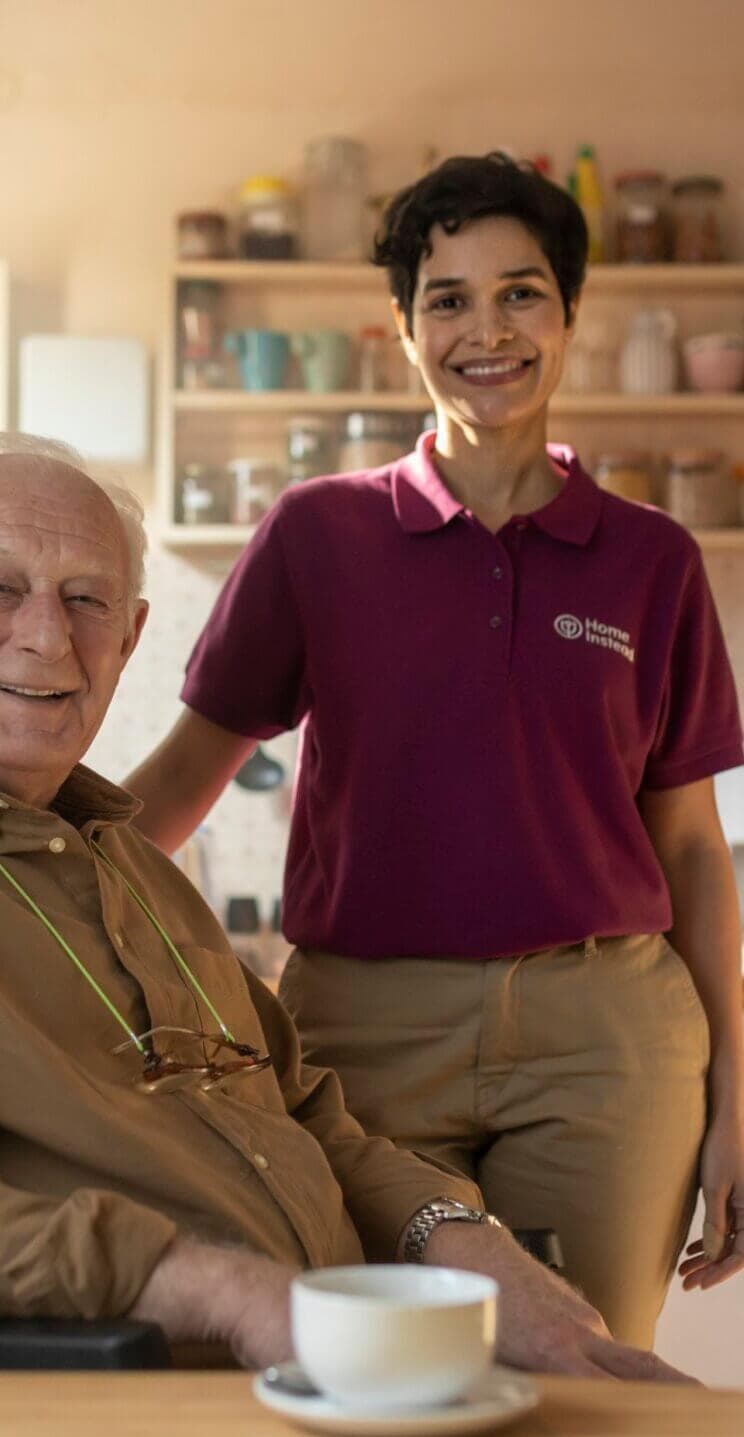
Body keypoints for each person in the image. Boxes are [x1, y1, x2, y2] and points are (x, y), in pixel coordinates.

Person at [0, 430, 688, 1381]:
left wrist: (472, 1252)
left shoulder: (133, 865)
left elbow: (308, 1116)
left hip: (344, 1374)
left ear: (130, 638)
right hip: (150, 1406)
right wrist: (223, 1293)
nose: (46, 635)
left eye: (87, 600)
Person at [125, 154, 744, 1349]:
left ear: (568, 316)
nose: (486, 329)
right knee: (378, 1367)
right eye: (447, 298)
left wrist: (738, 1099)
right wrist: (12, 885)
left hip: (606, 1039)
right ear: (403, 328)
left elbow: (691, 849)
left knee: (588, 1380)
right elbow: (180, 781)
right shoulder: (316, 535)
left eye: (519, 293)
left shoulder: (652, 559)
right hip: (361, 1040)